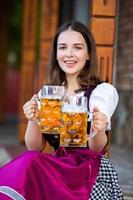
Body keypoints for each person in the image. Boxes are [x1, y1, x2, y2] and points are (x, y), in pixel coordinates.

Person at [0, 21, 123, 200]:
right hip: (58, 166)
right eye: (63, 47)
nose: (69, 54)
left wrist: (100, 127)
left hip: (87, 171)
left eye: (78, 47)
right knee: (29, 160)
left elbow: (97, 148)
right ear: (56, 54)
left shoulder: (101, 92)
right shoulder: (49, 93)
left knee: (31, 163)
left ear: (88, 54)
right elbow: (34, 147)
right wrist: (33, 119)